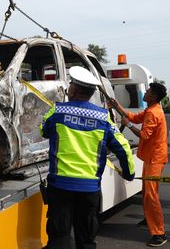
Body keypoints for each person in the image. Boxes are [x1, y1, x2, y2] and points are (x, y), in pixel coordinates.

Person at [41, 66, 135, 249]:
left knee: (59, 237)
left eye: (70, 86)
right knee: (86, 238)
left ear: (74, 90)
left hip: (60, 187)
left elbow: (43, 130)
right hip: (89, 188)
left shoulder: (57, 111)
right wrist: (129, 173)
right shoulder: (103, 117)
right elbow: (123, 147)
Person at [110, 82, 168, 247]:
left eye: (149, 90)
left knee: (151, 196)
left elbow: (144, 135)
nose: (146, 91)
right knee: (147, 193)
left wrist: (127, 124)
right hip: (153, 157)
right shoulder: (151, 110)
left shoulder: (154, 113)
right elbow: (134, 117)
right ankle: (149, 218)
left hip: (155, 159)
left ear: (154, 96)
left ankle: (159, 234)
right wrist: (117, 106)